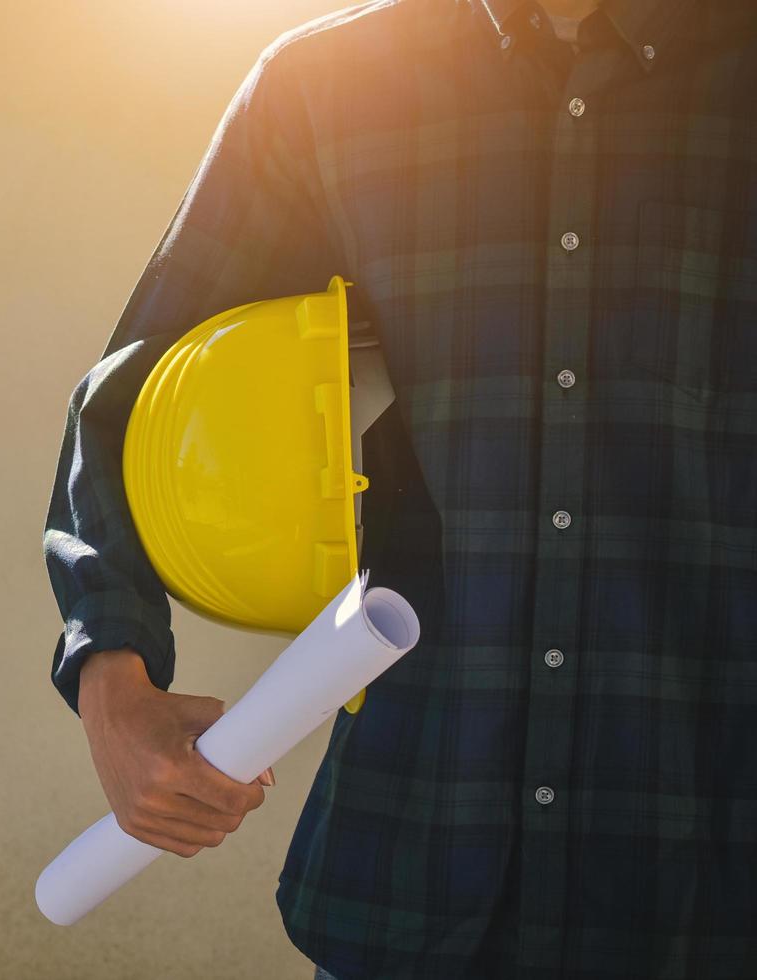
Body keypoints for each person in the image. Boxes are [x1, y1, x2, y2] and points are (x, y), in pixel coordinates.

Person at [40, 0, 757, 977]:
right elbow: (133, 397)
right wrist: (110, 678)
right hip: (414, 869)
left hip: (706, 889)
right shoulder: (322, 90)